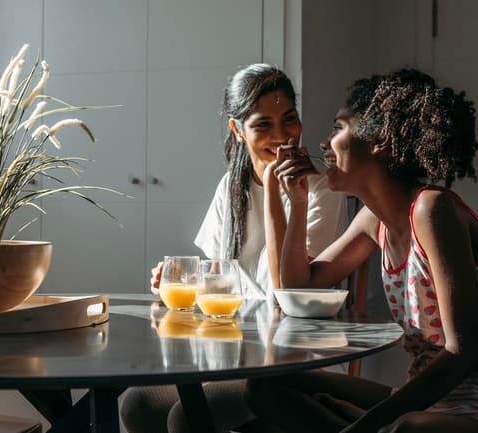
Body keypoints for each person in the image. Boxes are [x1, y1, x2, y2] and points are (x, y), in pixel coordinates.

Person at [246, 69, 478, 433]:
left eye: (338, 128)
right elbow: (297, 287)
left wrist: (370, 423)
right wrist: (295, 202)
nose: (323, 143)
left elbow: (464, 352)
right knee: (268, 387)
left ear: (379, 140)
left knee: (407, 429)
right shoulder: (374, 220)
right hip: (422, 400)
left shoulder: (433, 211)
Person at [120, 63, 348, 433]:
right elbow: (219, 280)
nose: (282, 135)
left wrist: (276, 188)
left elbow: (287, 292)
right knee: (137, 404)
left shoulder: (318, 189)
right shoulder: (232, 187)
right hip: (237, 353)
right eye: (263, 124)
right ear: (237, 130)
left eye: (289, 119)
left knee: (187, 417)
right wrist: (179, 284)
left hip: (298, 359)